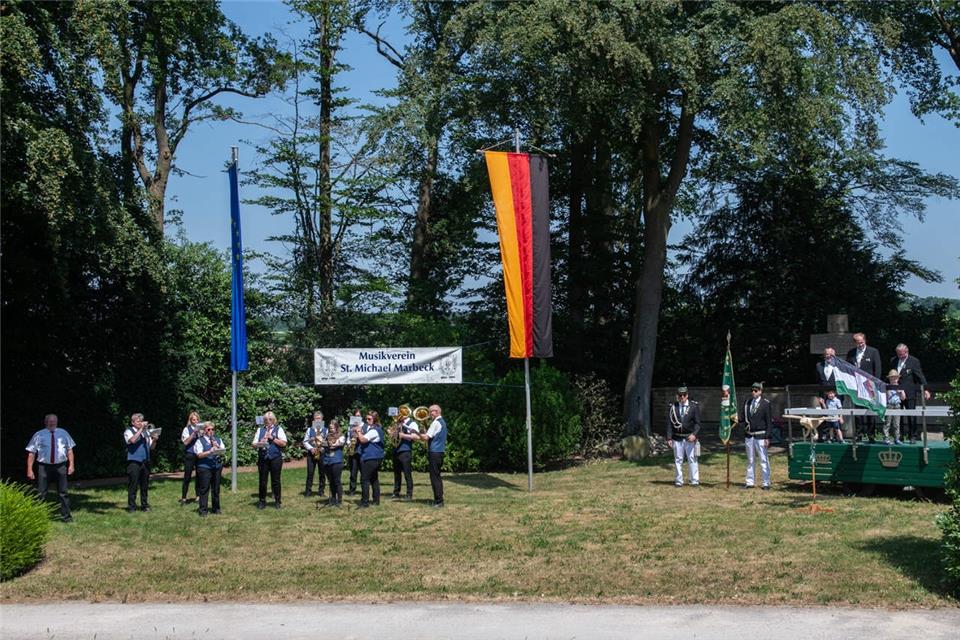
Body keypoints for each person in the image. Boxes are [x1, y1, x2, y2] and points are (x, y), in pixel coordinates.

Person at [25, 414, 76, 522]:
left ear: (57, 422)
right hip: (44, 467)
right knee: (41, 493)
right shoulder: (39, 435)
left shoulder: (64, 433)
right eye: (50, 421)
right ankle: (39, 518)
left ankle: (66, 517)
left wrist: (71, 465)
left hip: (60, 466)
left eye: (54, 421)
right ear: (46, 422)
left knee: (63, 492)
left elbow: (70, 450)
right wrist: (29, 469)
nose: (52, 423)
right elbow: (31, 453)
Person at [891, 343, 930, 444]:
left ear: (906, 352)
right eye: (898, 354)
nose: (900, 356)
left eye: (902, 354)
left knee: (911, 415)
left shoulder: (914, 361)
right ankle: (900, 436)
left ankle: (913, 436)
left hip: (910, 392)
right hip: (896, 393)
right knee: (898, 416)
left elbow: (920, 376)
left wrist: (925, 389)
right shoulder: (893, 360)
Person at [846, 332, 881, 442]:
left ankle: (871, 435)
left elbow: (878, 369)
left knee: (870, 410)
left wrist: (875, 385)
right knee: (858, 411)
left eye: (861, 342)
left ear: (865, 341)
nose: (860, 344)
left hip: (870, 386)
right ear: (855, 343)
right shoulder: (851, 353)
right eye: (858, 343)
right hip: (856, 386)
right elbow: (847, 369)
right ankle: (859, 433)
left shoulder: (873, 351)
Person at [666, 386, 700, 487]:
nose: (682, 397)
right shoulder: (673, 407)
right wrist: (669, 438)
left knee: (692, 459)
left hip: (690, 437)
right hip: (677, 438)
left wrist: (694, 434)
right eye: (680, 396)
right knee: (678, 460)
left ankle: (694, 481)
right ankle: (679, 481)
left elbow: (698, 423)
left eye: (684, 395)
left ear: (687, 395)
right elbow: (669, 424)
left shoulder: (693, 406)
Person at [252, 411, 287, 509]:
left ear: (274, 420)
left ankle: (277, 501)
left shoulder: (279, 429)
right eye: (266, 419)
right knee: (262, 481)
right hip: (263, 458)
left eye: (270, 419)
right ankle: (262, 501)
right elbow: (253, 444)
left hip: (275, 458)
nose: (268, 421)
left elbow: (284, 443)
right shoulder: (260, 430)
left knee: (276, 480)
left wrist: (272, 438)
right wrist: (260, 442)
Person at [740, 383, 772, 490]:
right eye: (752, 390)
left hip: (761, 435)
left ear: (760, 391)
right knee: (750, 459)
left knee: (763, 459)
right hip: (749, 435)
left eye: (756, 390)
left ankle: (766, 482)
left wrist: (768, 437)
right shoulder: (747, 403)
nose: (753, 392)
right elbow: (742, 418)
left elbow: (769, 422)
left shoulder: (765, 404)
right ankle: (749, 482)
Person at [124, 412, 158, 512]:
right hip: (134, 462)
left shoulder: (146, 432)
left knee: (145, 485)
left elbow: (151, 447)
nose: (140, 423)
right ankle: (132, 506)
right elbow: (132, 440)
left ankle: (144, 505)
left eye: (141, 421)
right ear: (133, 422)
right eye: (138, 421)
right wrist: (140, 430)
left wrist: (155, 440)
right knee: (133, 485)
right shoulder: (128, 431)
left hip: (145, 461)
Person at [193, 421, 225, 517]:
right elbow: (199, 455)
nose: (211, 431)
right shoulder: (199, 441)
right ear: (204, 430)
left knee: (216, 489)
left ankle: (216, 508)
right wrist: (209, 451)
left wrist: (217, 446)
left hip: (216, 467)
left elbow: (223, 451)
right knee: (204, 488)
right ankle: (203, 510)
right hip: (204, 467)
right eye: (208, 429)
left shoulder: (218, 440)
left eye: (212, 429)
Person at [355, 411, 385, 507]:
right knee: (374, 479)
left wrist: (358, 432)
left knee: (364, 479)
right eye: (366, 419)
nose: (367, 421)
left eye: (369, 419)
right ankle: (376, 501)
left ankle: (365, 502)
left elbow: (363, 440)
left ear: (375, 420)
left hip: (371, 457)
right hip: (376, 457)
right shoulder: (375, 429)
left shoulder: (374, 430)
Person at [391, 408, 420, 500]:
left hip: (405, 450)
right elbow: (394, 435)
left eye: (402, 413)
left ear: (407, 414)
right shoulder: (397, 422)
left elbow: (416, 437)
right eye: (400, 412)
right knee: (397, 473)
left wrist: (403, 435)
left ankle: (409, 494)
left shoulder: (412, 423)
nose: (400, 414)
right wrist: (391, 433)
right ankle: (396, 492)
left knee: (407, 473)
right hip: (396, 449)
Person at [422, 404, 447, 507]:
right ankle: (439, 498)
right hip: (440, 452)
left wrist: (414, 434)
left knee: (434, 477)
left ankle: (439, 501)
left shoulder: (436, 423)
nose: (429, 414)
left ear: (436, 411)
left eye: (431, 412)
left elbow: (426, 438)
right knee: (437, 476)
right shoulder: (442, 422)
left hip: (434, 452)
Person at [179, 411, 203, 505]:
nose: (195, 421)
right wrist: (193, 434)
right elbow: (185, 442)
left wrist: (201, 433)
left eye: (197, 419)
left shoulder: (201, 429)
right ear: (190, 420)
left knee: (199, 475)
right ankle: (184, 498)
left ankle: (198, 496)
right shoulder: (186, 429)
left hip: (198, 454)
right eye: (193, 419)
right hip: (190, 454)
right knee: (187, 476)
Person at [321, 418, 346, 507]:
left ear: (336, 428)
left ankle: (339, 500)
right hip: (327, 461)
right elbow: (323, 448)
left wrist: (330, 443)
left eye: (332, 428)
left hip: (336, 461)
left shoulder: (341, 436)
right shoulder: (326, 436)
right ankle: (332, 499)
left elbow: (337, 444)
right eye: (330, 428)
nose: (331, 430)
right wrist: (319, 445)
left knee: (337, 481)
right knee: (330, 481)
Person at [302, 411, 326, 498]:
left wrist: (322, 447)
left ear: (322, 419)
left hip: (322, 454)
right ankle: (308, 491)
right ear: (314, 419)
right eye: (316, 418)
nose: (318, 420)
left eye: (319, 418)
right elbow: (305, 441)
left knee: (322, 473)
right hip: (311, 454)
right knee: (310, 473)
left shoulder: (326, 430)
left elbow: (328, 442)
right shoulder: (309, 429)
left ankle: (321, 491)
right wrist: (311, 448)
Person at [883, 370, 906, 445]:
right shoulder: (887, 386)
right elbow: (886, 397)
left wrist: (900, 392)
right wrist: (888, 391)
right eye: (892, 378)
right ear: (889, 379)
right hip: (889, 405)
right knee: (887, 423)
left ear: (898, 378)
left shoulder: (900, 386)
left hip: (897, 405)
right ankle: (886, 438)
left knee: (896, 424)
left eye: (895, 378)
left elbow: (903, 398)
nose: (894, 379)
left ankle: (897, 438)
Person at [346, 409, 363, 495]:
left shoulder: (364, 425)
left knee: (363, 472)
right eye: (355, 416)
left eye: (359, 416)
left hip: (361, 451)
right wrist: (349, 444)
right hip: (353, 450)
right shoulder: (350, 426)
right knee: (353, 472)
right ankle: (352, 490)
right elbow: (348, 437)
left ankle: (364, 490)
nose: (357, 418)